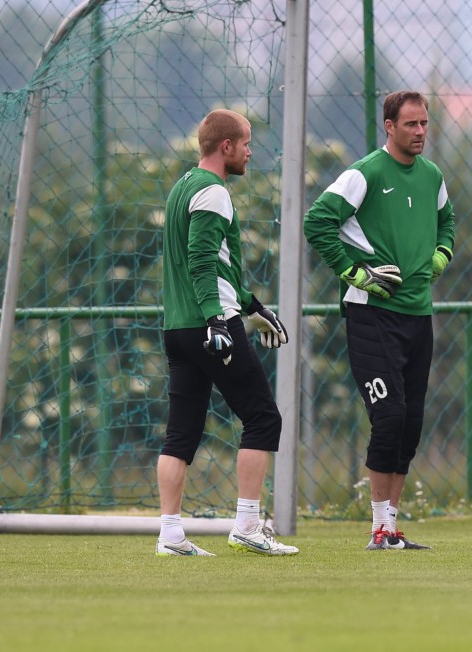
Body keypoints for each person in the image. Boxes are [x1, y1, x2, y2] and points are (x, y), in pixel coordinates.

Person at [304, 90, 456, 550]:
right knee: (389, 416)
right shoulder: (364, 173)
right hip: (370, 314)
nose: (420, 132)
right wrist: (353, 273)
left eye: (424, 123)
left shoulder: (431, 175)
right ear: (389, 126)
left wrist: (441, 255)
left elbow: (447, 222)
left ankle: (392, 527)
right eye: (411, 124)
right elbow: (316, 222)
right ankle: (377, 528)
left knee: (409, 423)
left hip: (418, 314)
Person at [156, 108, 298, 557]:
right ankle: (248, 526)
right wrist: (218, 319)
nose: (250, 152)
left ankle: (170, 535)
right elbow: (201, 262)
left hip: (178, 328)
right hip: (209, 325)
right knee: (263, 418)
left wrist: (253, 306)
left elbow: (217, 266)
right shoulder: (214, 191)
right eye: (246, 143)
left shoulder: (182, 186)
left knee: (180, 434)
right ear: (226, 146)